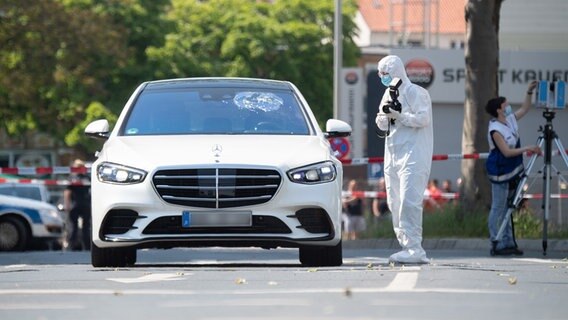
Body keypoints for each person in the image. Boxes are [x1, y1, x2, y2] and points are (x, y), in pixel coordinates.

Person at [375, 55, 433, 264]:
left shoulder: (417, 92)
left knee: (409, 201)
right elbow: (381, 124)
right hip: (393, 153)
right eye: (380, 74)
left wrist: (400, 116)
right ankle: (405, 246)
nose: (382, 77)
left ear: (396, 71)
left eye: (385, 73)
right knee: (395, 201)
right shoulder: (387, 94)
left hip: (413, 154)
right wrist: (386, 115)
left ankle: (415, 248)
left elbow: (423, 119)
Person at [485, 80, 541, 256]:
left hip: (513, 169)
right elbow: (507, 152)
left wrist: (529, 92)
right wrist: (528, 149)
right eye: (506, 105)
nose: (509, 107)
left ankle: (508, 241)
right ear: (499, 109)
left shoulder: (510, 119)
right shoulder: (495, 129)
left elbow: (524, 108)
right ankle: (496, 240)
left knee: (509, 207)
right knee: (498, 207)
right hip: (500, 171)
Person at [63, 159, 92, 251]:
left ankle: (72, 247)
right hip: (86, 204)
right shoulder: (87, 177)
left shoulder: (72, 178)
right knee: (86, 227)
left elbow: (67, 192)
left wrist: (67, 205)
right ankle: (87, 247)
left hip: (74, 205)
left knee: (73, 226)